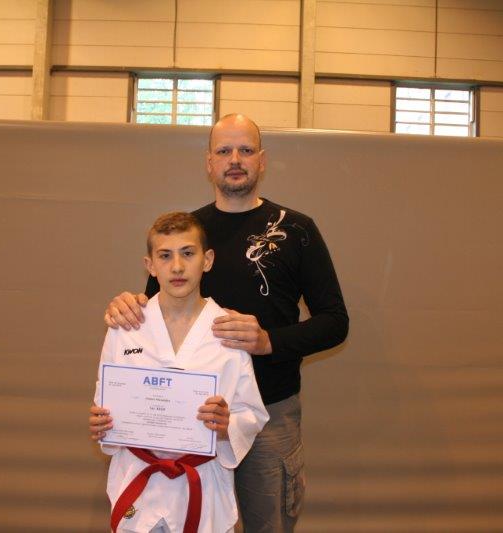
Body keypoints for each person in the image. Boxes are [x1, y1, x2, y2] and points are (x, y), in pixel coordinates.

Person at [91, 114, 349, 532]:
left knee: (268, 525)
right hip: (189, 418)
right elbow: (155, 308)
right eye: (224, 151)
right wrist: (126, 305)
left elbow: (335, 322)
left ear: (262, 160)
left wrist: (268, 341)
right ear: (209, 162)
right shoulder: (189, 232)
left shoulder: (295, 229)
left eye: (246, 150)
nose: (235, 159)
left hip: (270, 411)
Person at [92, 211, 269, 533]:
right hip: (138, 480)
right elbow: (105, 403)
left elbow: (251, 413)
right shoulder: (126, 327)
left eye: (188, 253)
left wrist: (226, 426)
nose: (176, 266)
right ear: (150, 265)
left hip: (202, 484)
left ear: (207, 260)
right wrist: (103, 423)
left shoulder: (229, 330)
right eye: (165, 256)